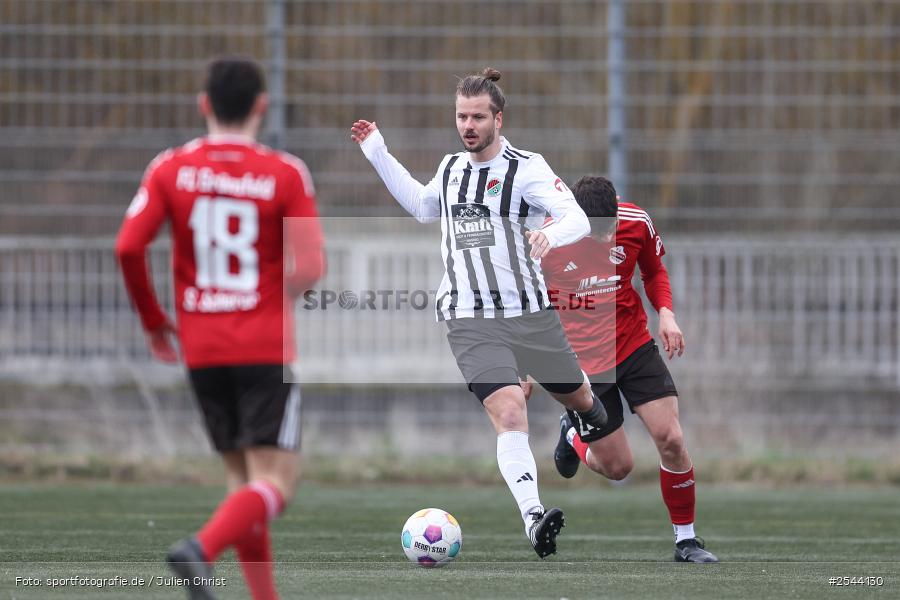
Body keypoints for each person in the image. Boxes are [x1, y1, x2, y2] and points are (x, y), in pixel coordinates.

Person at [350, 68, 607, 559]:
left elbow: (574, 215)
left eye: (477, 117)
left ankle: (578, 422)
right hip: (469, 316)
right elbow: (423, 207)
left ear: (498, 118)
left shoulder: (526, 168)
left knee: (584, 404)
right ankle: (534, 519)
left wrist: (549, 235)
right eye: (461, 116)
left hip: (530, 313)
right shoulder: (450, 169)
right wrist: (378, 154)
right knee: (510, 410)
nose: (467, 125)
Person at [115, 57, 326, 599]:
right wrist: (271, 300)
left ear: (204, 103)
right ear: (262, 105)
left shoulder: (170, 168)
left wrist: (155, 320)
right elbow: (310, 268)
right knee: (277, 483)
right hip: (261, 345)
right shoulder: (284, 172)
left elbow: (128, 246)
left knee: (244, 485)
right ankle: (201, 550)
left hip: (202, 347)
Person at [537, 175, 718, 563]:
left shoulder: (636, 221)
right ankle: (573, 437)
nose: (606, 240)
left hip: (633, 345)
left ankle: (685, 541)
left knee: (671, 438)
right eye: (596, 233)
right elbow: (528, 310)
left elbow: (653, 271)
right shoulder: (546, 244)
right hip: (583, 364)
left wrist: (666, 315)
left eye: (611, 228)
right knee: (619, 468)